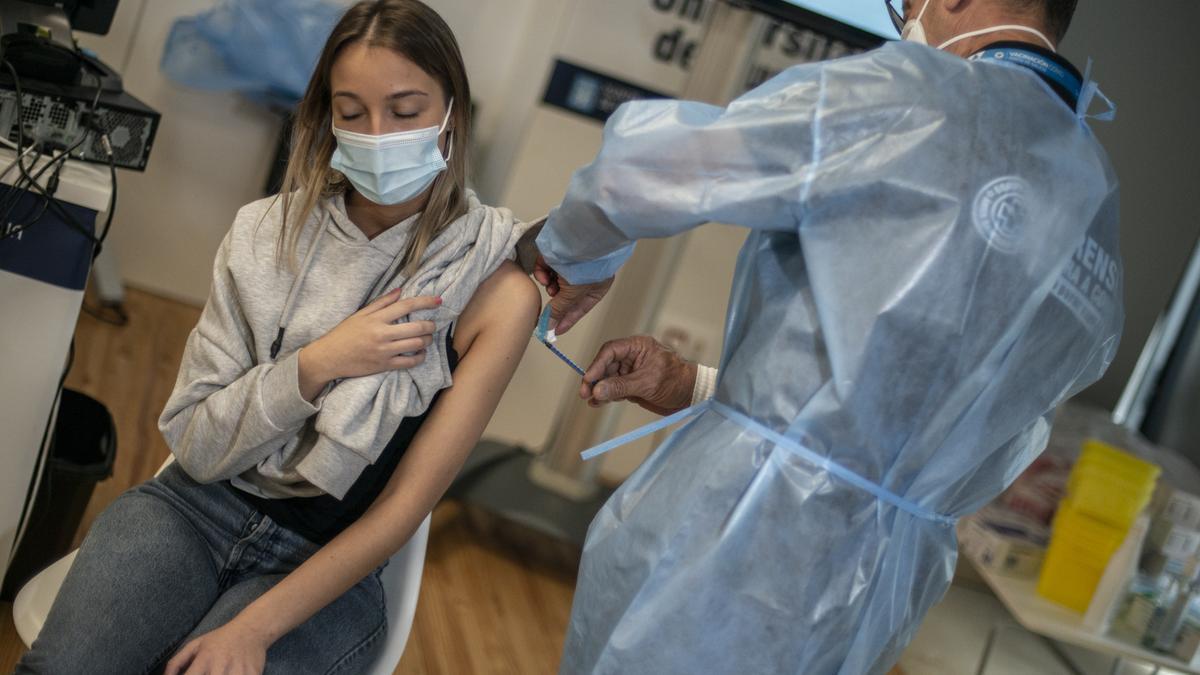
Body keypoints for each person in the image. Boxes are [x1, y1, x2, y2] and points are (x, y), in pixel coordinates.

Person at [533, 0, 1121, 672]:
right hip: (876, 596)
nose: (907, 19)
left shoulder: (913, 93)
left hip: (732, 553)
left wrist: (569, 260)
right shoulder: (1092, 199)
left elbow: (643, 165)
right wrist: (688, 383)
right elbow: (904, 417)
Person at [16, 1, 539, 673]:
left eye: (405, 111)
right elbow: (199, 445)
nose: (378, 135)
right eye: (353, 111)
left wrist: (254, 629)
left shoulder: (494, 287)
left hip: (327, 568)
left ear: (451, 117)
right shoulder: (264, 233)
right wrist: (318, 363)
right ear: (326, 118)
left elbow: (405, 508)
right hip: (192, 509)